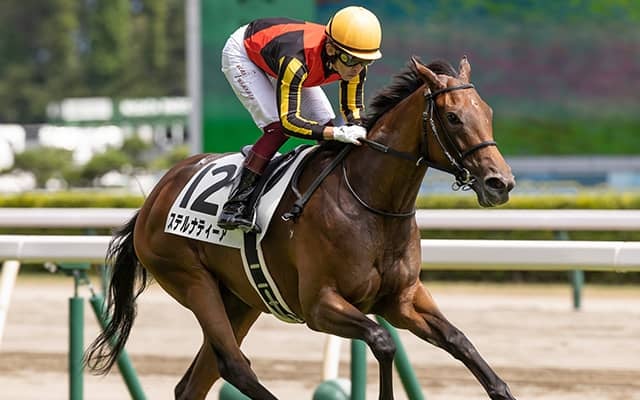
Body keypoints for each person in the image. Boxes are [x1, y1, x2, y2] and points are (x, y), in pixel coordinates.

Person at [218, 5, 383, 232]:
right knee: (278, 128)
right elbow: (290, 122)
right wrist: (337, 132)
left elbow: (352, 109)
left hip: (280, 55)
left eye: (365, 61)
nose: (357, 68)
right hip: (245, 53)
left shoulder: (354, 63)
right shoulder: (296, 61)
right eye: (350, 59)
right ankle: (235, 204)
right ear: (331, 49)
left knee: (325, 123)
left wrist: (357, 127)